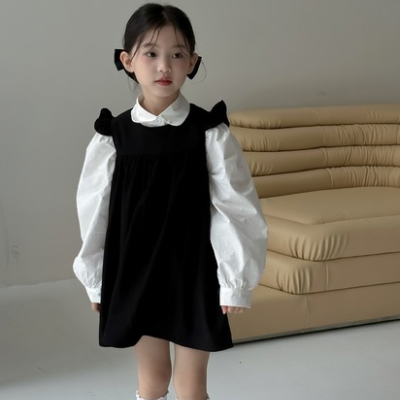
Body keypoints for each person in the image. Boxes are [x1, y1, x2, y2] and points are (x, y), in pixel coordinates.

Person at [73, 3, 267, 400]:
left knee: (191, 386)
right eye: (151, 53)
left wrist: (234, 283)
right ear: (128, 61)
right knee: (153, 379)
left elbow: (235, 209)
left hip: (194, 273)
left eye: (177, 54)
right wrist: (97, 281)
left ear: (192, 62)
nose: (164, 66)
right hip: (137, 273)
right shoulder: (112, 138)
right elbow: (95, 214)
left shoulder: (209, 134)